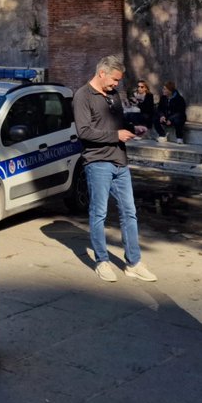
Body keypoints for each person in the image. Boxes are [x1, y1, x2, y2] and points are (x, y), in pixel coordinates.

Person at [73, 54, 156, 283]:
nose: (116, 84)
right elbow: (84, 131)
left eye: (118, 81)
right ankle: (102, 261)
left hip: (120, 161)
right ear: (102, 73)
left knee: (130, 212)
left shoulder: (114, 95)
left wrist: (133, 127)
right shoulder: (82, 96)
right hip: (97, 162)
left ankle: (134, 263)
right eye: (114, 80)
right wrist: (115, 135)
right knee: (99, 213)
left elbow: (118, 124)